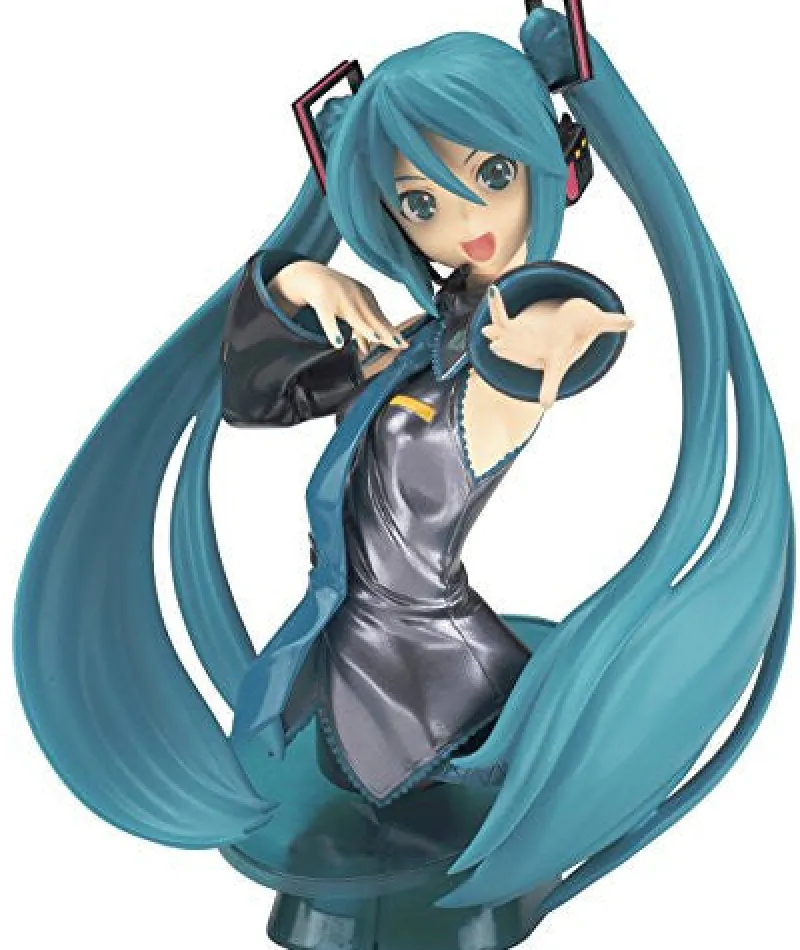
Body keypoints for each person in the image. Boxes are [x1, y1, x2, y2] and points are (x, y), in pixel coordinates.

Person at [15, 3, 793, 918]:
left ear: (548, 170)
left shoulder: (511, 332)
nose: (463, 220)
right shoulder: (417, 344)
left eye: (492, 175)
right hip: (342, 653)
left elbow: (548, 334)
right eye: (422, 202)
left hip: (426, 682)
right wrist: (294, 276)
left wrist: (554, 332)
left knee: (377, 867)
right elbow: (260, 399)